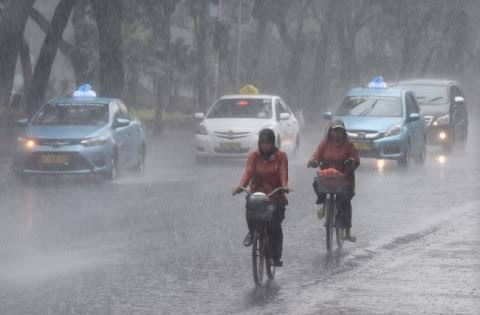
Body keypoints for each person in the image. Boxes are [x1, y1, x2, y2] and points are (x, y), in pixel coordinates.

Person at [234, 128, 289, 267]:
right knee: (250, 209)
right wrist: (241, 186)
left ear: (273, 143)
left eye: (268, 142)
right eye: (262, 142)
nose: (265, 145)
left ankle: (276, 257)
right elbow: (248, 172)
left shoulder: (281, 156)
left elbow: (283, 172)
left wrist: (284, 185)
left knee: (274, 226)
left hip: (275, 195)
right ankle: (252, 233)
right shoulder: (254, 156)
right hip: (257, 193)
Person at [307, 120, 360, 242]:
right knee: (316, 183)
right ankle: (325, 204)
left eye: (340, 131)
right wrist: (313, 161)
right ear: (330, 132)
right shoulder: (325, 143)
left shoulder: (349, 145)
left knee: (345, 202)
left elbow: (356, 159)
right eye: (335, 131)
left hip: (344, 179)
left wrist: (352, 163)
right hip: (327, 178)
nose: (337, 134)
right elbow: (316, 155)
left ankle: (347, 231)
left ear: (343, 133)